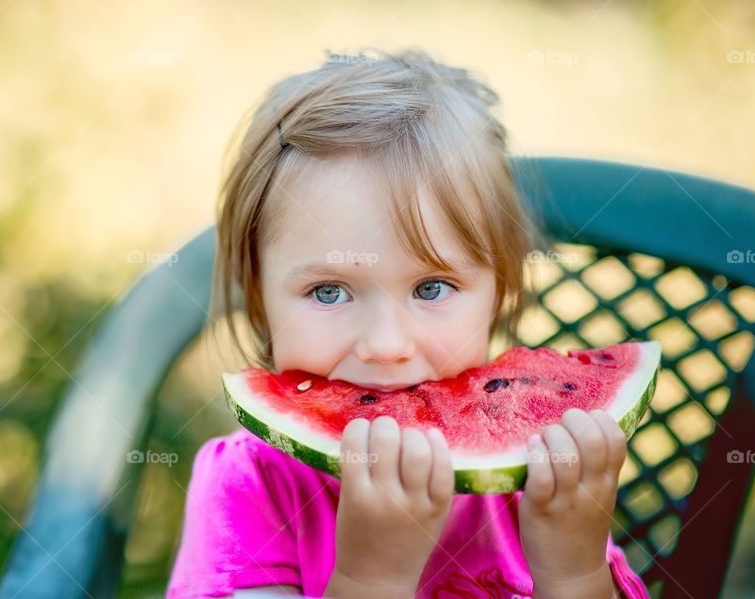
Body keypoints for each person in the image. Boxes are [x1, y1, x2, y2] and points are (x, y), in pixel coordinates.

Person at [166, 48, 649, 598]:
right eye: (328, 291)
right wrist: (371, 577)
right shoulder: (248, 490)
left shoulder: (542, 478)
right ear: (257, 298)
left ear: (500, 291)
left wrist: (574, 571)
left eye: (431, 288)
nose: (385, 345)